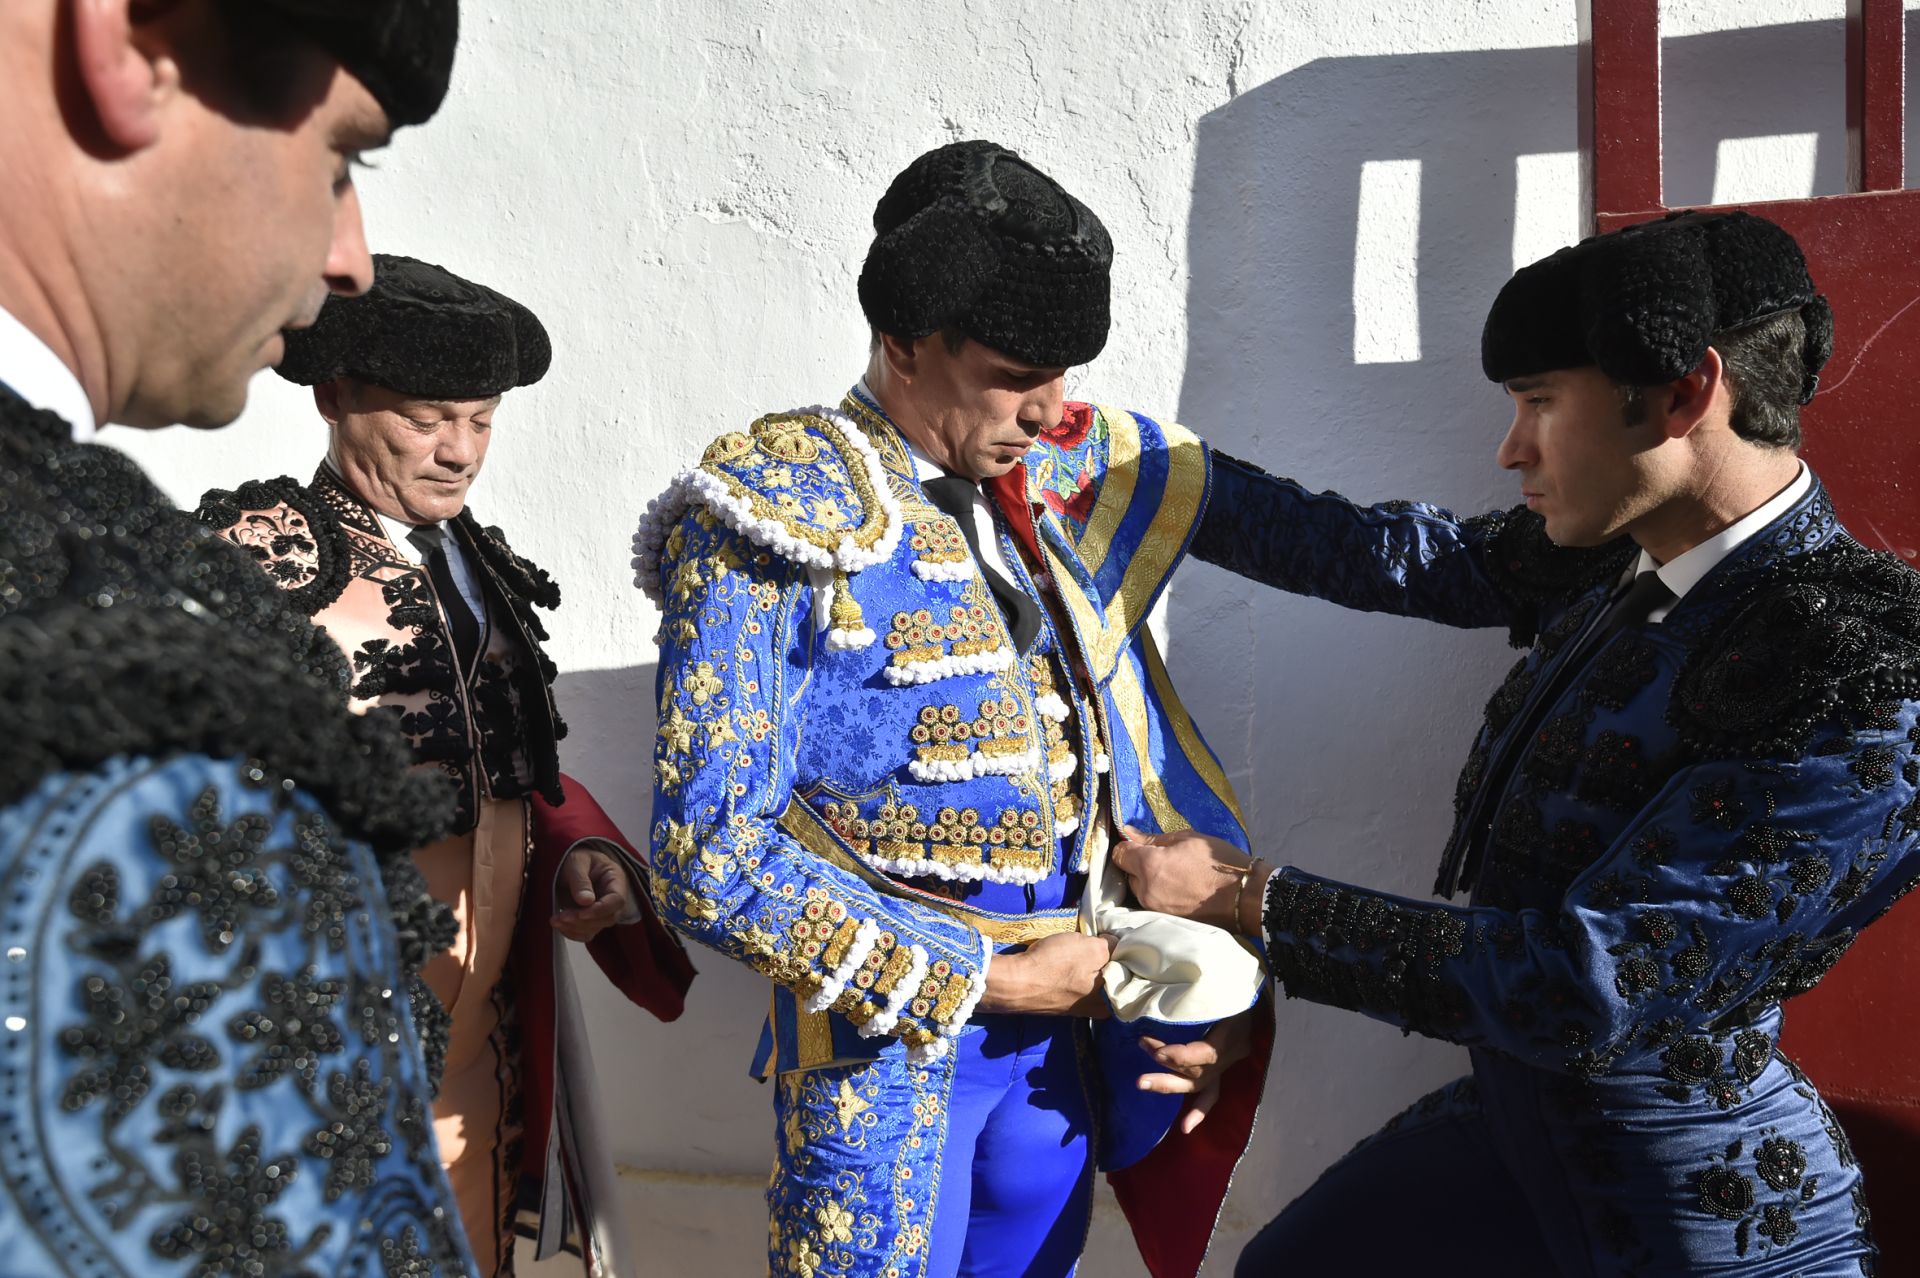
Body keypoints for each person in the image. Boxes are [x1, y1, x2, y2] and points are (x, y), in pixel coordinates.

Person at [1113, 210, 1912, 1277]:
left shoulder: (1859, 663)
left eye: (1541, 403)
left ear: (1684, 393)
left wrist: (1250, 899)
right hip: (1522, 1128)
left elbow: (1586, 986)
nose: (1511, 449)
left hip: (1704, 1213)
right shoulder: (1621, 550)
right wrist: (1143, 469)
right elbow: (1393, 555)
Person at [633, 139, 1268, 1278]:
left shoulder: (1036, 502)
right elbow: (707, 851)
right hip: (885, 1047)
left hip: (1062, 1041)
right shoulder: (773, 505)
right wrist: (998, 977)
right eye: (1018, 374)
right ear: (904, 344)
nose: (1051, 412)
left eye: (1065, 375)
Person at [0, 2, 476, 1274]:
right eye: (342, 160)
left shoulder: (479, 574)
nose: (349, 258)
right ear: (130, 49)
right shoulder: (157, 655)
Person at [198, 255, 696, 1277]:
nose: (460, 452)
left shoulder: (476, 561)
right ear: (335, 397)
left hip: (476, 1054)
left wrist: (575, 855)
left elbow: (509, 773)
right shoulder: (250, 560)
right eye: (429, 418)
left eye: (481, 419)